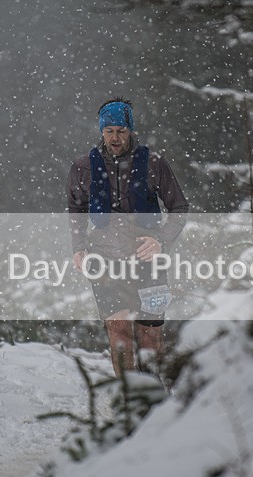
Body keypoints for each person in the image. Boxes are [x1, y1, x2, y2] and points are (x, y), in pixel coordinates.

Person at [67, 97, 189, 377]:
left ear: (131, 130)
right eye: (109, 131)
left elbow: (179, 208)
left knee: (149, 336)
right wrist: (78, 247)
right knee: (119, 330)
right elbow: (76, 208)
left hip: (149, 262)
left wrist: (161, 241)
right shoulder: (83, 167)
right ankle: (129, 394)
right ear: (101, 131)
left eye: (121, 131)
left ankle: (152, 392)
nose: (115, 137)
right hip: (104, 259)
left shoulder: (154, 163)